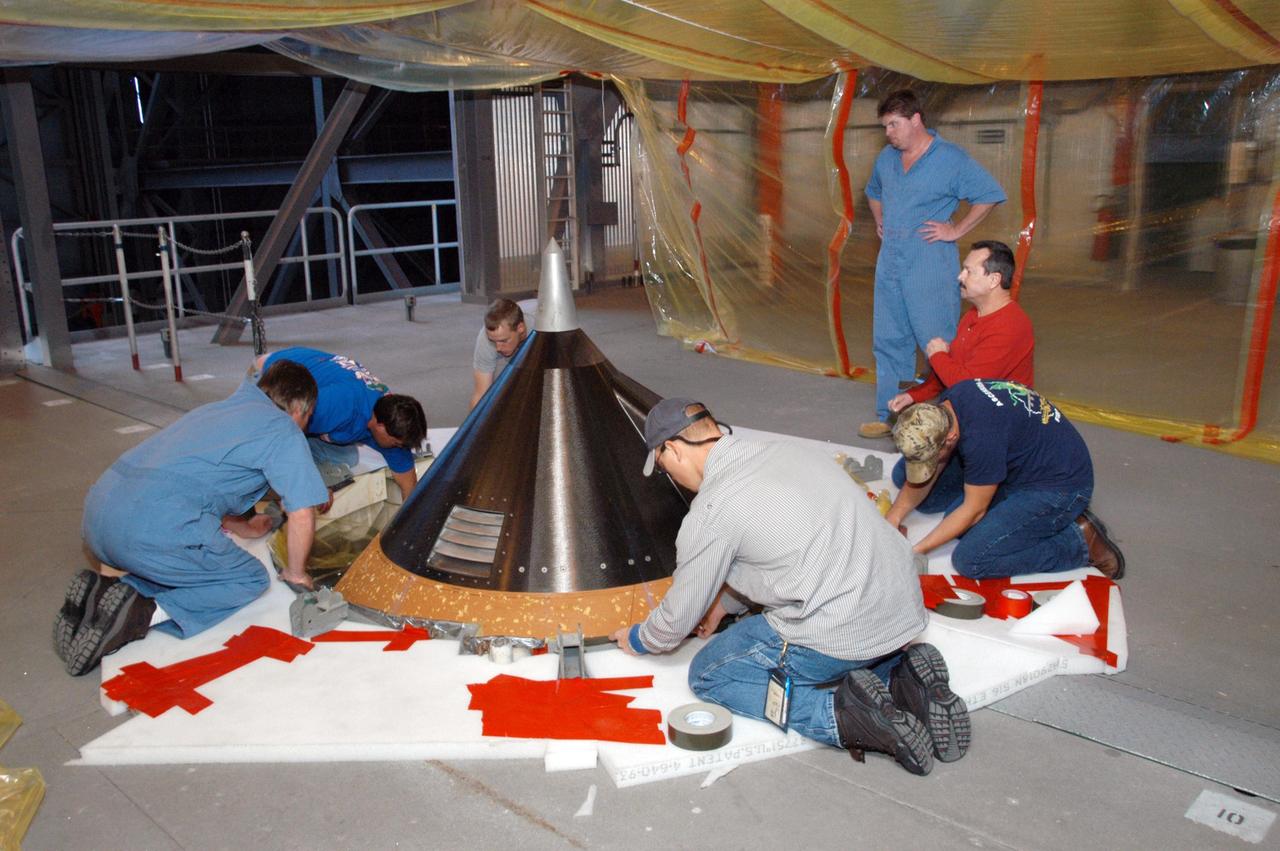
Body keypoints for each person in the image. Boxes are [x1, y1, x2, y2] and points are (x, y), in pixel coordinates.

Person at [610, 398, 971, 775]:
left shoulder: (712, 510)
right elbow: (776, 548)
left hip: (842, 628)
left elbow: (672, 625)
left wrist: (639, 638)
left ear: (672, 449)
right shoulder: (788, 450)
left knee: (710, 673)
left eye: (663, 465)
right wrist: (722, 606)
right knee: (826, 608)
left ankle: (842, 717)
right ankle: (902, 676)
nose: (670, 475)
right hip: (901, 609)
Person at [54, 360, 329, 677]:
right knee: (247, 579)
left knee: (187, 565)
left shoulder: (216, 410)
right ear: (299, 409)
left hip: (99, 517)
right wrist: (296, 574)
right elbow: (301, 513)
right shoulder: (282, 430)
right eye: (308, 417)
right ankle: (142, 613)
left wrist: (245, 526)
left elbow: (201, 479)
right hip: (146, 534)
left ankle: (107, 594)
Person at [861, 89, 1007, 440]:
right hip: (890, 263)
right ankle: (892, 416)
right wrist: (880, 218)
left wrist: (955, 229)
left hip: (929, 264)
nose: (889, 133)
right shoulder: (887, 158)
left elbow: (989, 194)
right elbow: (873, 190)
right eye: (885, 126)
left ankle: (944, 422)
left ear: (916, 119)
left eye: (894, 124)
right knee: (890, 341)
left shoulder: (951, 160)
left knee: (938, 343)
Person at [885, 380, 1126, 581]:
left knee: (972, 559)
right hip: (1022, 461)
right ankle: (1006, 508)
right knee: (928, 499)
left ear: (951, 437)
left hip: (1058, 487)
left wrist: (915, 552)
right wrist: (892, 520)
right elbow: (935, 468)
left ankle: (1079, 542)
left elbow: (973, 511)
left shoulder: (982, 438)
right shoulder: (953, 401)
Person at [886, 240, 1034, 416]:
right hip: (976, 408)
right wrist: (914, 395)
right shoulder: (975, 313)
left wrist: (937, 355)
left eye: (968, 271)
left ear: (994, 280)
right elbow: (953, 370)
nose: (960, 277)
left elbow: (968, 386)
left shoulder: (1010, 326)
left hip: (999, 418)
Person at [257, 347, 426, 500]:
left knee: (347, 457)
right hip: (268, 380)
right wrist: (309, 486)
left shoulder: (389, 415)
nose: (398, 448)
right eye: (396, 443)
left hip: (311, 392)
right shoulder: (335, 407)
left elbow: (408, 482)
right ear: (380, 426)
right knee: (298, 487)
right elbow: (275, 433)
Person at [470, 297, 535, 409]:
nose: (498, 348)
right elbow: (481, 395)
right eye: (493, 341)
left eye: (504, 341)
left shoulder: (543, 328)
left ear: (520, 328)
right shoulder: (485, 339)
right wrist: (472, 426)